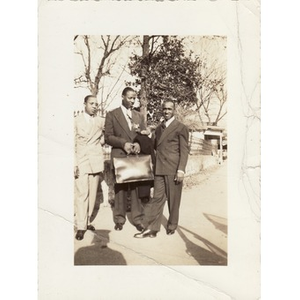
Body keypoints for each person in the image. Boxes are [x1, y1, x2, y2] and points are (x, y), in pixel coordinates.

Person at [135, 100, 189, 238]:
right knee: (157, 198)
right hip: (159, 168)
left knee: (173, 199)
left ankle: (172, 225)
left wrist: (181, 169)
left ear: (174, 110)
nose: (166, 111)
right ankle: (152, 228)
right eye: (164, 109)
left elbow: (184, 150)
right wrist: (144, 135)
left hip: (173, 168)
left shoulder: (180, 127)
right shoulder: (159, 128)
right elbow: (153, 145)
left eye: (169, 109)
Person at [104, 87, 146, 232]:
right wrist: (123, 144)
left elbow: (143, 135)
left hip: (134, 156)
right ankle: (119, 219)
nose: (133, 100)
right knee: (120, 189)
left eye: (134, 98)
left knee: (135, 188)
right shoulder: (112, 114)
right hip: (119, 156)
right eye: (130, 97)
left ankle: (138, 219)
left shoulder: (139, 116)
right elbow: (108, 137)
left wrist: (139, 143)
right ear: (122, 97)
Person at [74, 95, 105, 240]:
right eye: (91, 103)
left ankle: (87, 221)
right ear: (84, 104)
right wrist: (74, 163)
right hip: (81, 161)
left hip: (96, 160)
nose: (94, 106)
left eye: (96, 104)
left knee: (93, 194)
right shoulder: (76, 121)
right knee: (82, 194)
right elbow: (71, 143)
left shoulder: (100, 121)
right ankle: (80, 226)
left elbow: (106, 137)